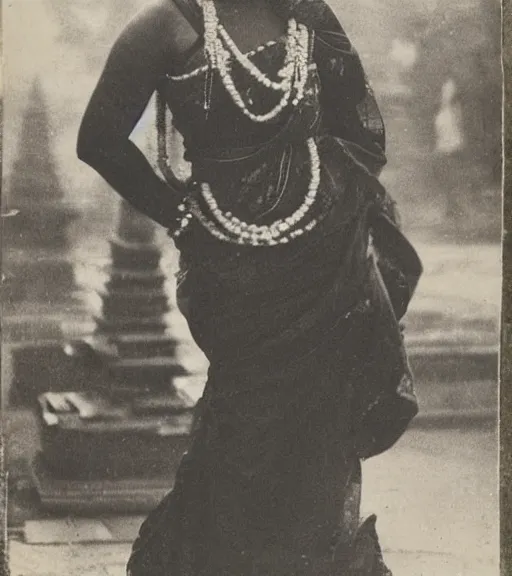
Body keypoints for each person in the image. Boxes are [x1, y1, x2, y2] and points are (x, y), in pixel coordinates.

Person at [77, 0, 423, 574]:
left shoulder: (307, 16)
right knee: (245, 433)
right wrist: (180, 216)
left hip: (324, 262)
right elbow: (98, 138)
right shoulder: (166, 23)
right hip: (233, 269)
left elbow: (359, 126)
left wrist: (334, 203)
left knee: (318, 437)